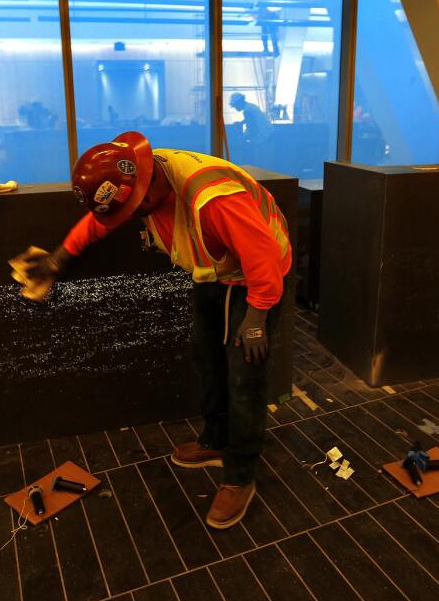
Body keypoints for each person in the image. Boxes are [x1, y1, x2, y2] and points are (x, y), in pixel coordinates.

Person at [18, 132, 291, 530]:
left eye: (134, 209)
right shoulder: (139, 175)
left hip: (254, 281)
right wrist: (60, 257)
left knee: (243, 377)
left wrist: (255, 320)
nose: (131, 217)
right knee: (206, 357)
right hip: (214, 269)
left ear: (146, 188)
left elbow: (264, 262)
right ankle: (215, 441)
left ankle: (240, 475)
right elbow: (101, 221)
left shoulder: (214, 199)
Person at [229, 92, 275, 166]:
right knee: (265, 165)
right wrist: (242, 123)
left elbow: (252, 128)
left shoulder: (247, 111)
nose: (235, 108)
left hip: (264, 140)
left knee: (262, 166)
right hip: (268, 137)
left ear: (239, 102)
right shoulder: (251, 107)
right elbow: (253, 120)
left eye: (235, 105)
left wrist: (243, 138)